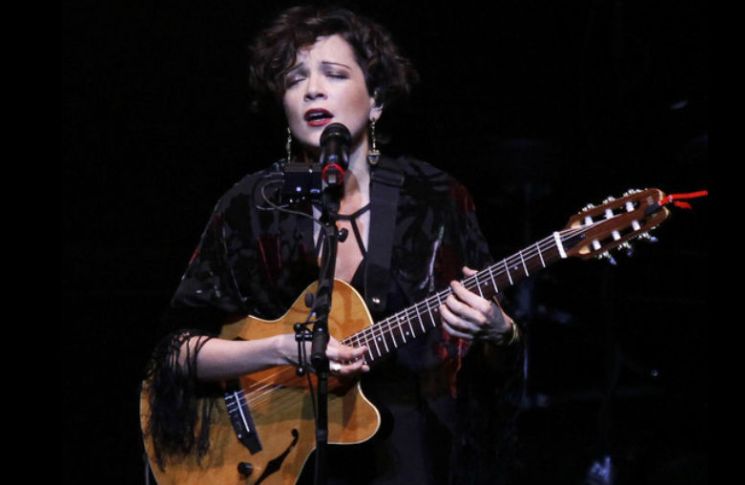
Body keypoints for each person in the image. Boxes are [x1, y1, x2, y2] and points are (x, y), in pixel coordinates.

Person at [145, 5, 524, 484]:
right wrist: (283, 350)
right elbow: (177, 354)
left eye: (335, 74)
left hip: (410, 456)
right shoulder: (252, 204)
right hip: (280, 459)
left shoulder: (435, 199)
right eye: (294, 79)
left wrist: (501, 331)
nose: (312, 89)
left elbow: (491, 358)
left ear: (376, 100)